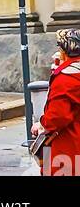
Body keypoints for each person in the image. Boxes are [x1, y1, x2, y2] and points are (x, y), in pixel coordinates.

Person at [32, 27, 80, 176]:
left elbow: (57, 117)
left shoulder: (65, 78)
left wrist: (41, 124)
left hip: (67, 145)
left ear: (65, 50)